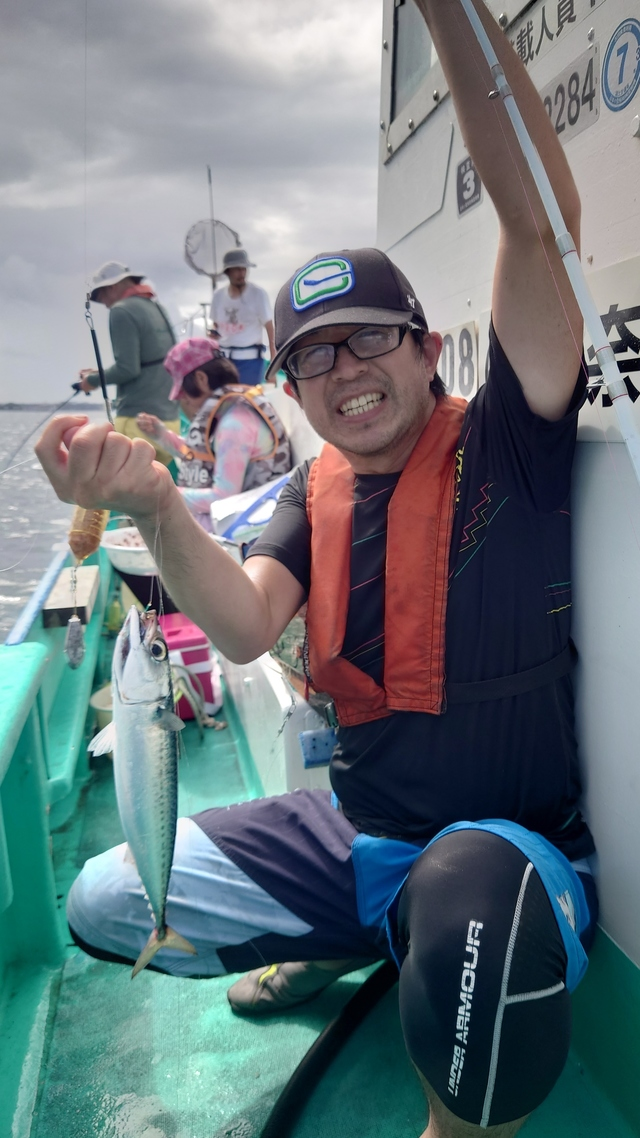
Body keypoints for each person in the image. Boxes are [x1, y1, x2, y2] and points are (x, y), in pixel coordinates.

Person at [36, 3, 595, 1135]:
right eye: (310, 357)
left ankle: (453, 1107)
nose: (341, 371)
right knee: (105, 895)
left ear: (428, 347)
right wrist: (149, 500)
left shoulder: (508, 443)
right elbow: (242, 625)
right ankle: (349, 942)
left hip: (505, 856)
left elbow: (539, 229)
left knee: (470, 905)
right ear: (289, 390)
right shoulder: (313, 492)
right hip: (362, 845)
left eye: (367, 337)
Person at [136, 337, 291, 532]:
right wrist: (162, 435)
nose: (184, 401)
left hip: (251, 525)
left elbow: (223, 497)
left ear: (201, 379)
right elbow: (199, 453)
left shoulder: (234, 424)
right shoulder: (231, 409)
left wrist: (165, 492)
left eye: (183, 391)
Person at [79, 261, 180, 466]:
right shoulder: (155, 307)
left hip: (138, 422)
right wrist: (100, 374)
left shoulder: (121, 311)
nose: (105, 304)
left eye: (102, 297)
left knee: (117, 490)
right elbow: (147, 362)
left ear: (113, 287)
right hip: (169, 423)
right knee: (152, 491)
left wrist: (91, 380)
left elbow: (128, 369)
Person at [210, 248, 276, 385]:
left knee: (246, 402)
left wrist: (273, 365)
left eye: (244, 269)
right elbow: (216, 324)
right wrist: (212, 333)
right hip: (223, 360)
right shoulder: (218, 296)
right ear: (228, 272)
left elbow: (270, 328)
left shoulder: (258, 294)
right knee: (224, 402)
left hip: (250, 361)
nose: (242, 273)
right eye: (237, 269)